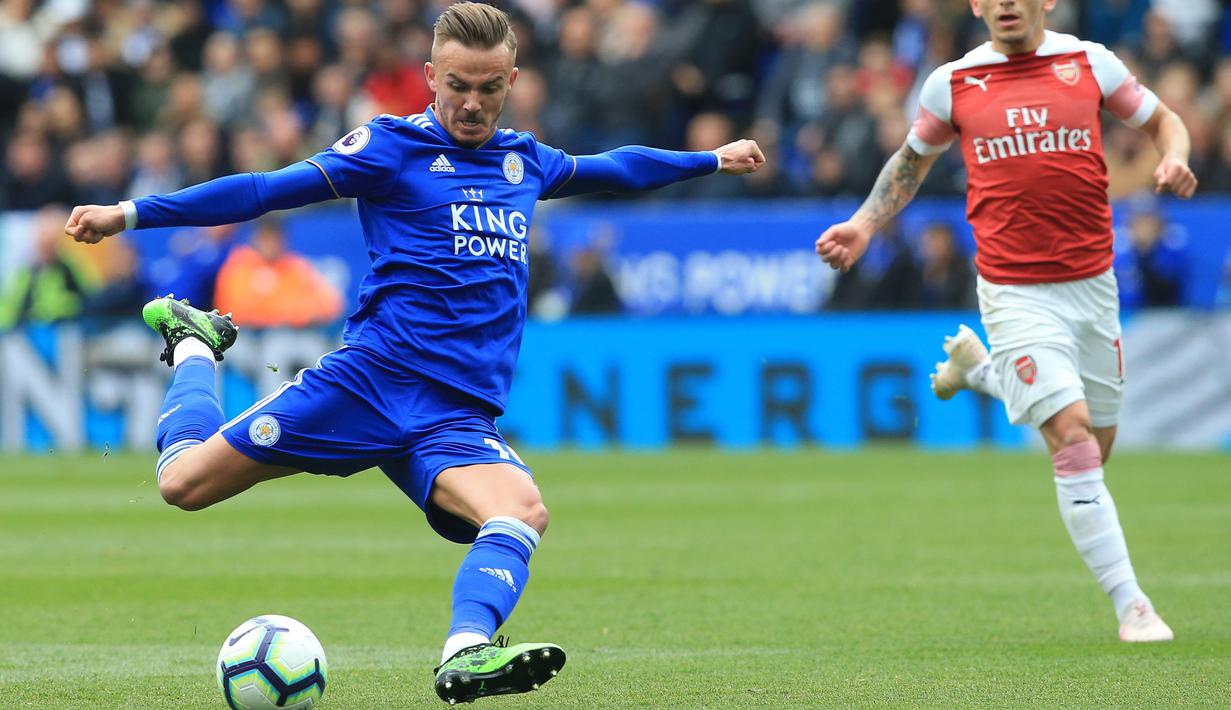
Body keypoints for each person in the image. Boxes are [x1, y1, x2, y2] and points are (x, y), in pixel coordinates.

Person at [63, 2, 765, 704]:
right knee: (182, 484)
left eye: (489, 88)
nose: (471, 102)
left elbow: (614, 169)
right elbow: (263, 190)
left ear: (512, 80)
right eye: (457, 84)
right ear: (430, 76)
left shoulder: (524, 160)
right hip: (370, 383)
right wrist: (128, 215)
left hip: (454, 414)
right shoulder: (388, 149)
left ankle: (465, 654)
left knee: (521, 511)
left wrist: (709, 158)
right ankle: (194, 343)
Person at [815, 0, 1196, 643]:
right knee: (1071, 439)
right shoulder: (954, 82)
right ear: (975, 5)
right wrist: (863, 223)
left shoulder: (1089, 62)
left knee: (1096, 451)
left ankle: (981, 372)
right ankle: (1133, 606)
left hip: (1093, 286)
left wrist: (1174, 155)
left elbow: (1165, 121)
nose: (1006, 3)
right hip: (1015, 289)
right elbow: (910, 163)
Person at [213, 217, 343, 328]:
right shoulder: (239, 263)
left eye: (275, 238)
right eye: (265, 238)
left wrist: (286, 313)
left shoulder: (295, 266)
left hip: (290, 333)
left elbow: (329, 305)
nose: (270, 244)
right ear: (255, 238)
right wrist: (287, 310)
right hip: (245, 334)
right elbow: (232, 308)